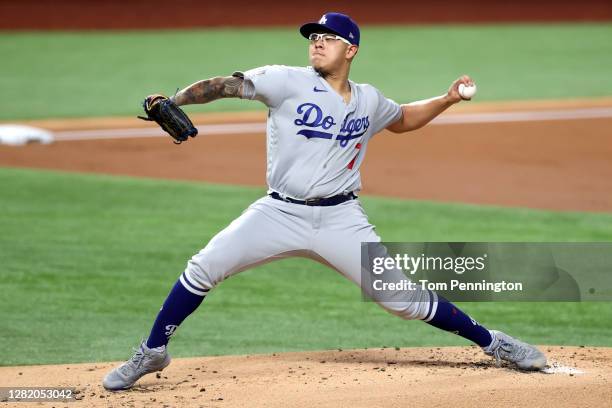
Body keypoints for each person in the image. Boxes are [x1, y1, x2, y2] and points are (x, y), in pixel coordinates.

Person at [103, 12, 546, 391]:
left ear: (350, 49)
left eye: (327, 37)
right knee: (203, 267)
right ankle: (152, 352)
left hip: (341, 218)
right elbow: (224, 84)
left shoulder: (368, 100)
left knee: (402, 299)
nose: (317, 42)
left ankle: (494, 342)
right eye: (313, 37)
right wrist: (175, 99)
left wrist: (448, 99)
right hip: (279, 212)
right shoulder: (285, 81)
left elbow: (404, 118)